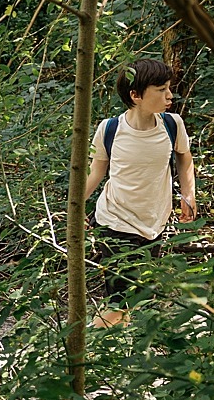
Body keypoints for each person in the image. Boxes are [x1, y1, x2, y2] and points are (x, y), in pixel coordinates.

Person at [82, 58, 198, 328]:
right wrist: (73, 206)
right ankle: (82, 351)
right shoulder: (110, 129)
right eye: (160, 90)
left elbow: (184, 157)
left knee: (139, 297)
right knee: (120, 299)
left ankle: (115, 352)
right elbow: (96, 172)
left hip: (154, 224)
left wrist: (188, 196)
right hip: (115, 220)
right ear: (136, 95)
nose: (169, 95)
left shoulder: (173, 124)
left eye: (169, 88)